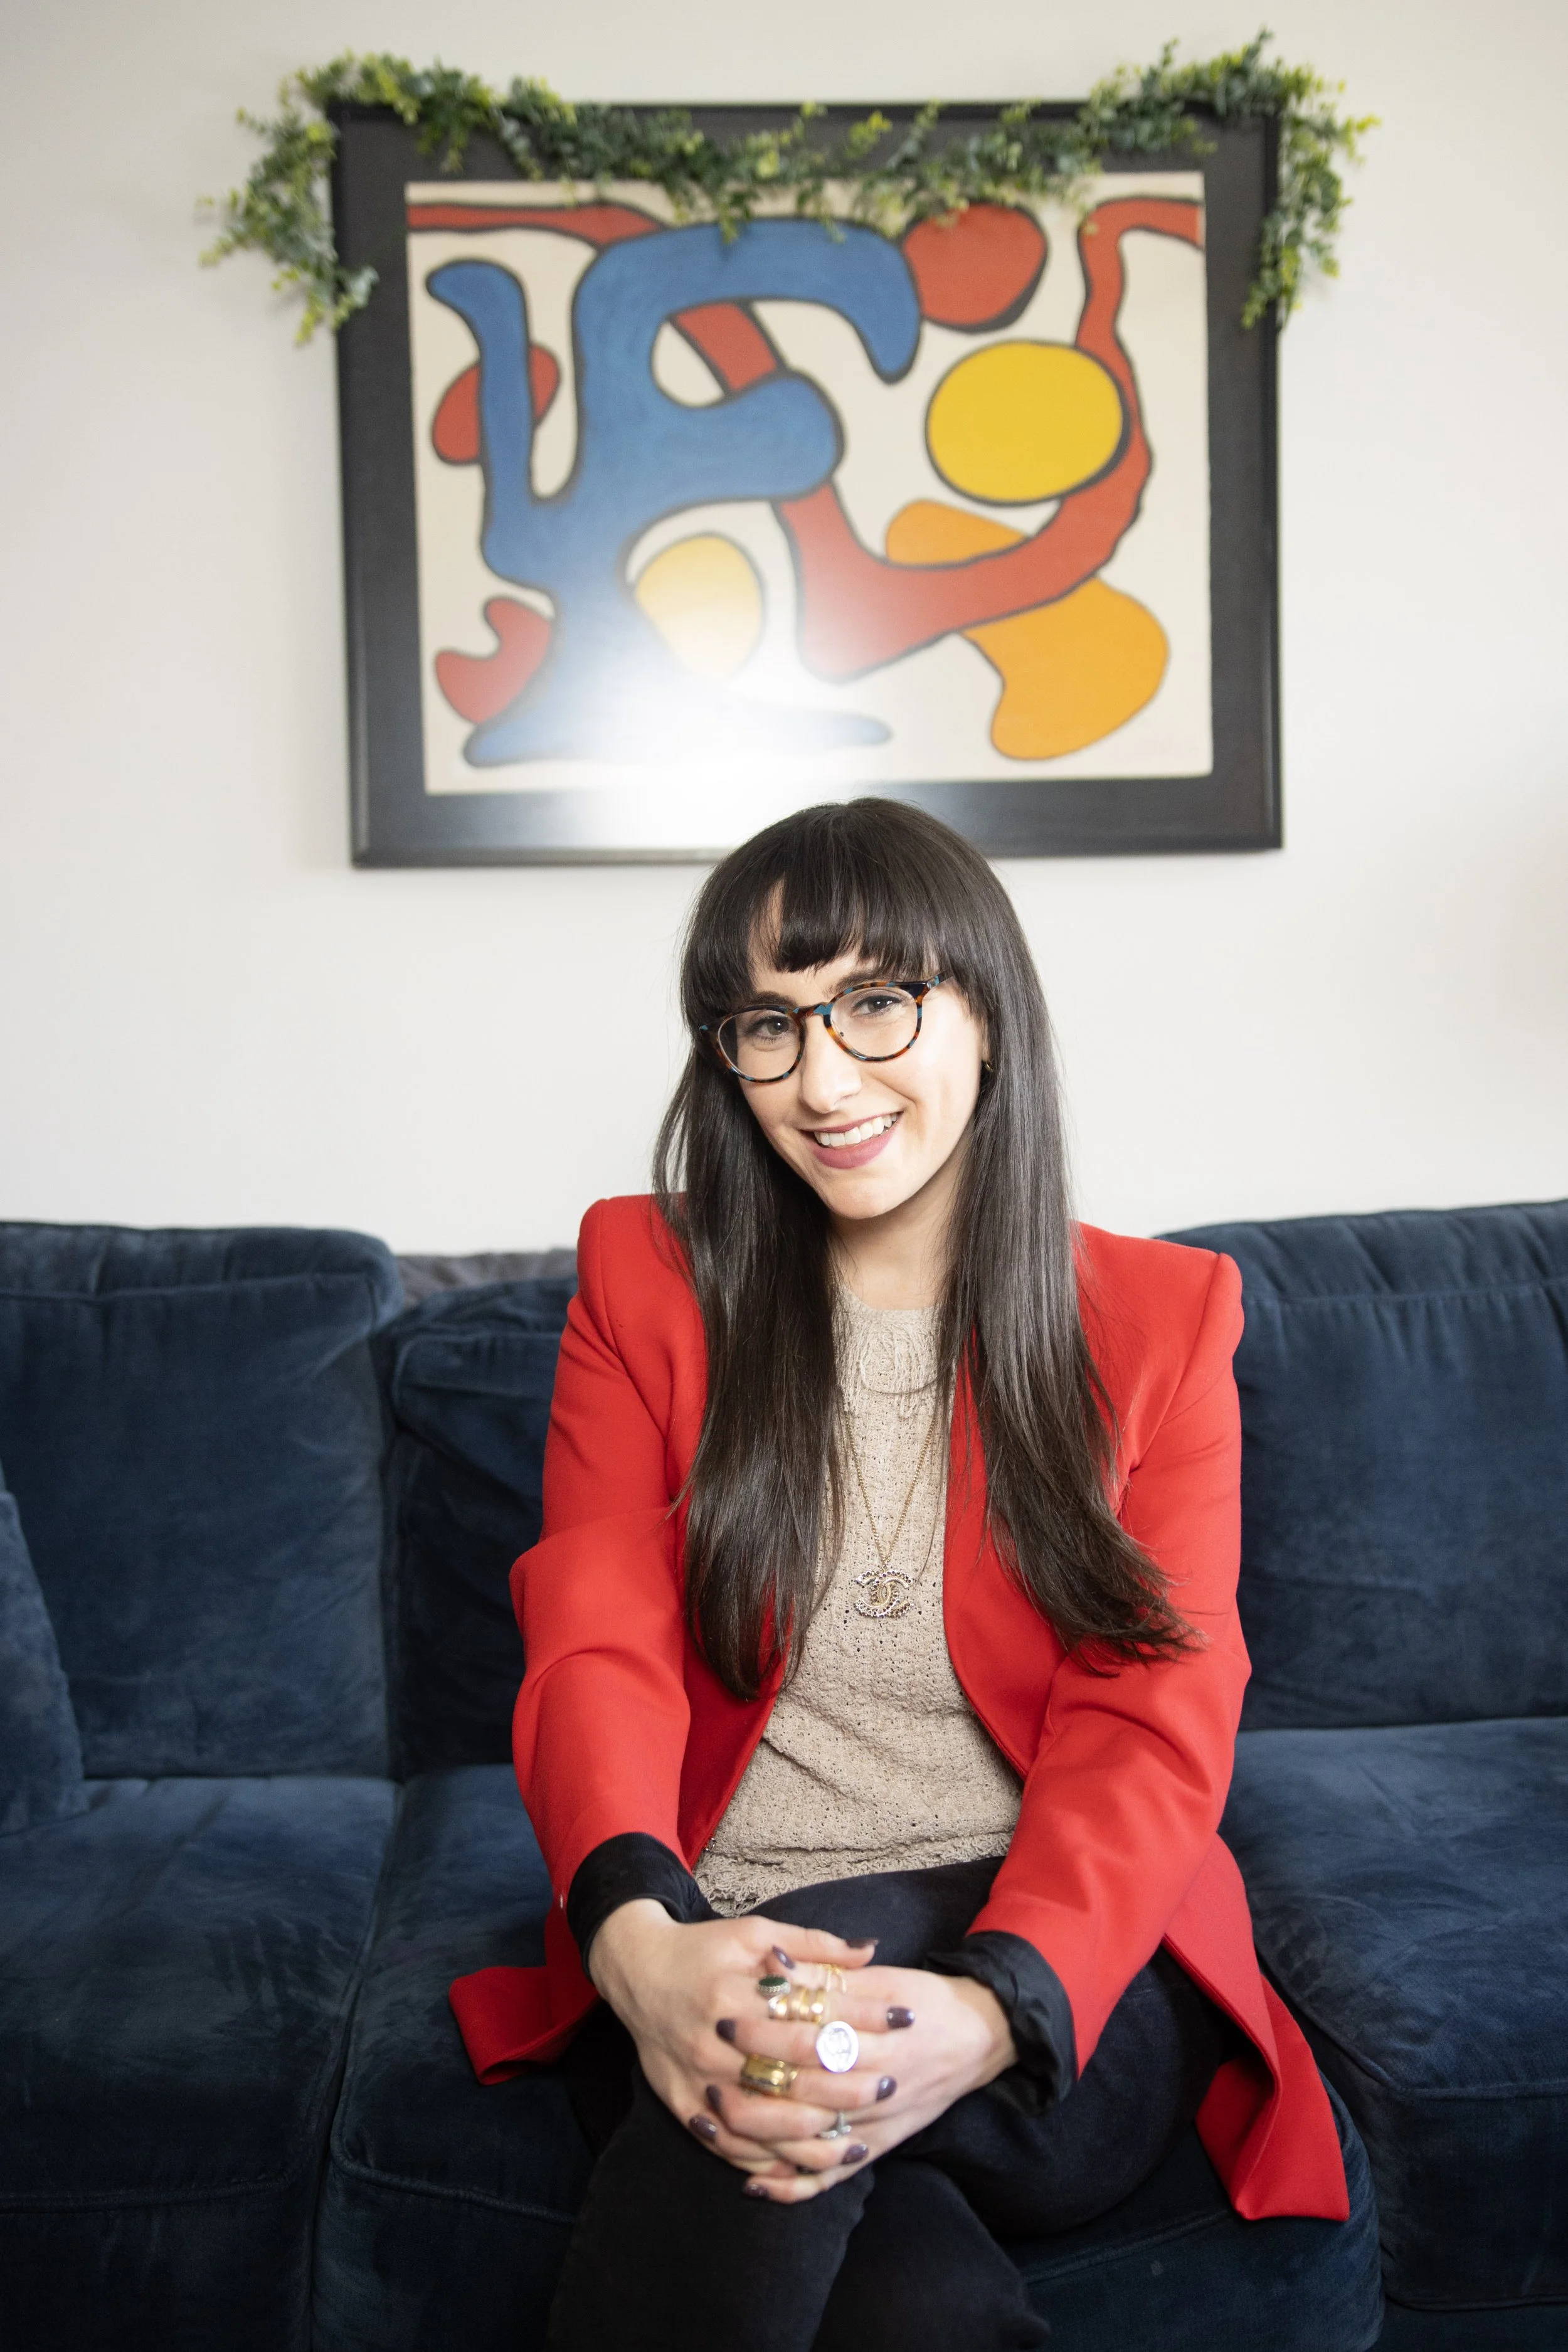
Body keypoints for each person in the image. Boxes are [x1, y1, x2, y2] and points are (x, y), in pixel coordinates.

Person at [450, 799, 1348, 2350]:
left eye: (876, 1002)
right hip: (711, 1946)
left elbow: (1155, 1714)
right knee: (906, 2301)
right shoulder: (645, 1285)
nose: (819, 1078)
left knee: (782, 2051)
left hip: (1052, 1973)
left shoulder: (1158, 1320)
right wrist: (639, 1941)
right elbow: (592, 1638)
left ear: (984, 1013)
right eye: (766, 1026)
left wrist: (994, 2001)